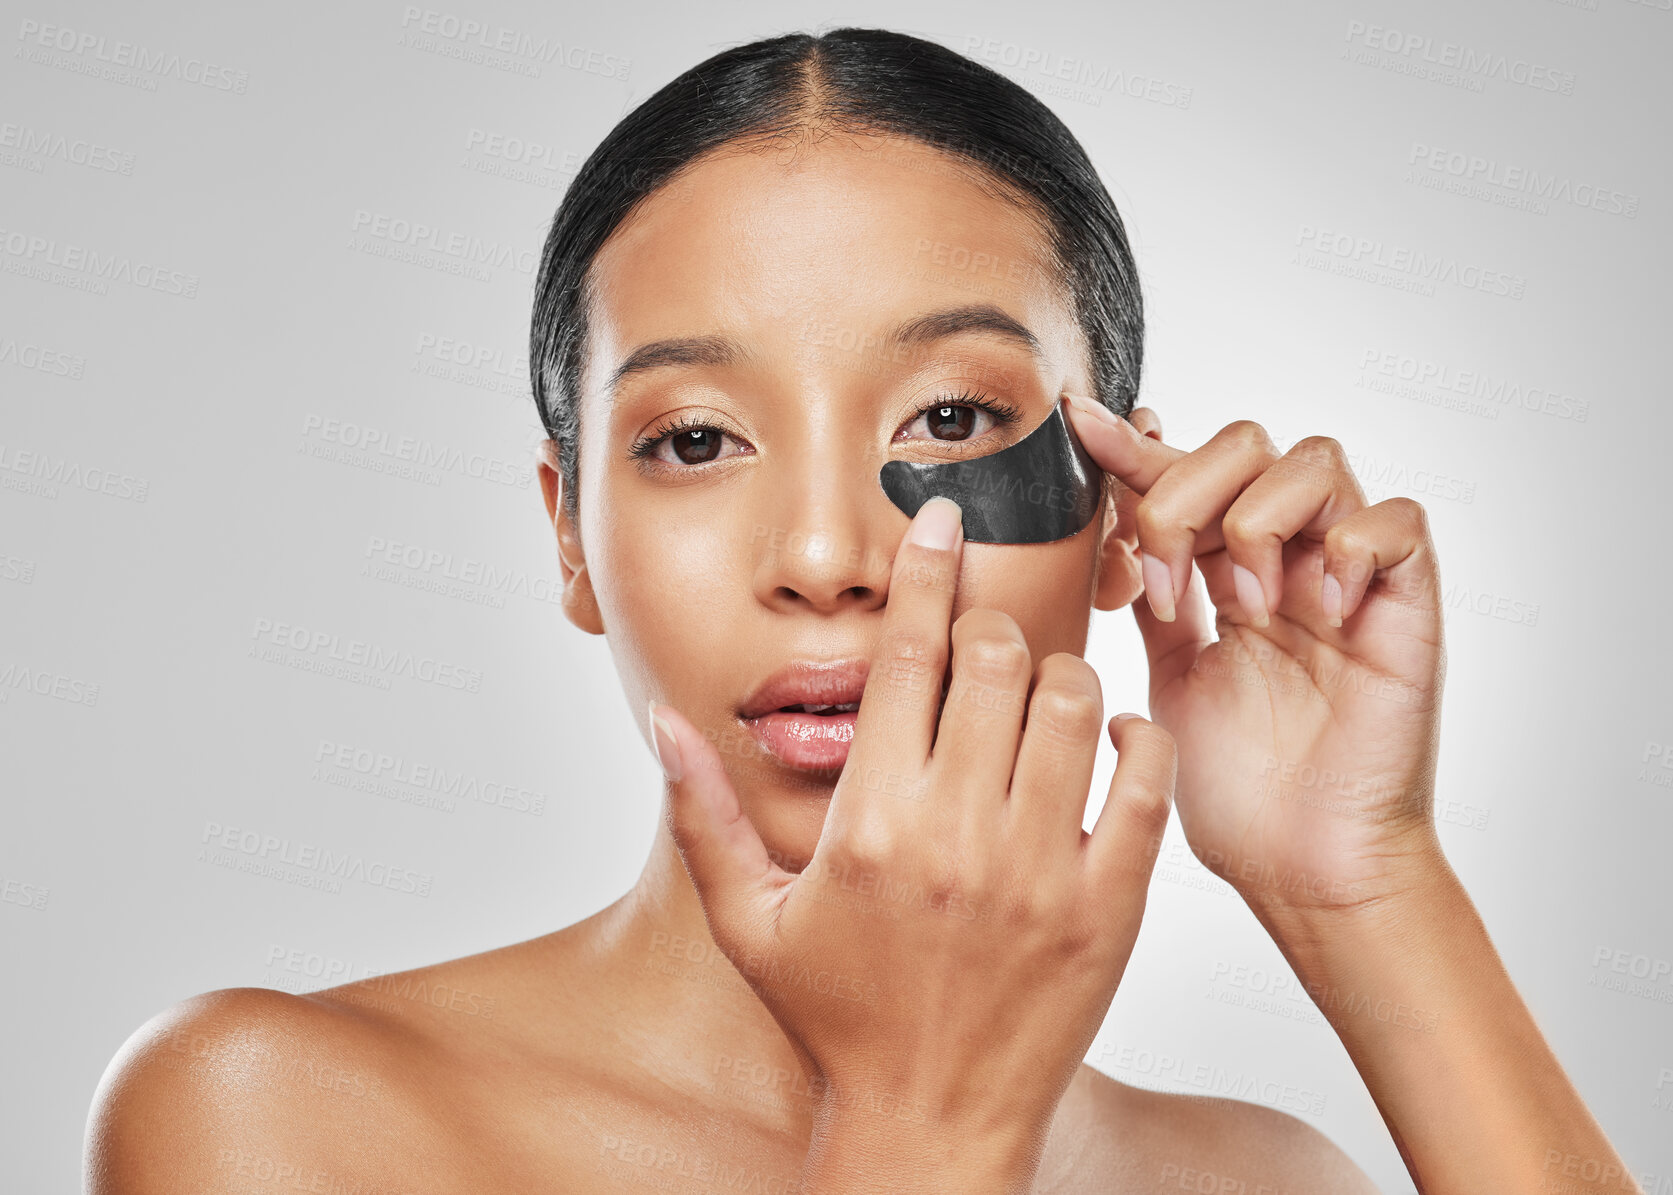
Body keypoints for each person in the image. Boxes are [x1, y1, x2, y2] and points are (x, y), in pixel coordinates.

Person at [85, 27, 1639, 1194]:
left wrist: (1362, 886)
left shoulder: (1260, 1181)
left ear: (1115, 508)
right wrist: (919, 1122)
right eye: (695, 439)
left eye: (951, 422)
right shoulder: (284, 1117)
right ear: (571, 538)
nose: (827, 553)